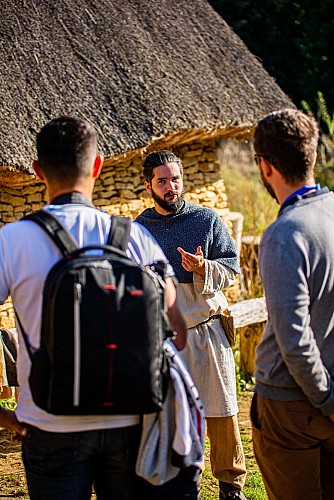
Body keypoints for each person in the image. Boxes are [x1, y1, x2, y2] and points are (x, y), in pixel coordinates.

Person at [0, 117, 188, 500]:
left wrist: (2, 415)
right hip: (130, 420)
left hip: (48, 422)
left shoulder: (12, 240)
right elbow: (179, 334)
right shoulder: (135, 237)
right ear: (99, 166)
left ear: (36, 171)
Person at [135, 150, 247, 500]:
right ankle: (181, 484)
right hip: (165, 337)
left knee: (223, 411)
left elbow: (232, 269)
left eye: (176, 179)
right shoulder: (140, 229)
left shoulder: (206, 220)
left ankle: (230, 484)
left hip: (207, 329)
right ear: (148, 185)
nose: (171, 187)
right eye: (163, 181)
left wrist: (203, 268)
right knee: (171, 412)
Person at [251, 108, 334, 500]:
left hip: (293, 405)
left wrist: (326, 400)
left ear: (265, 167)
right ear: (312, 155)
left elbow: (295, 339)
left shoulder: (284, 234)